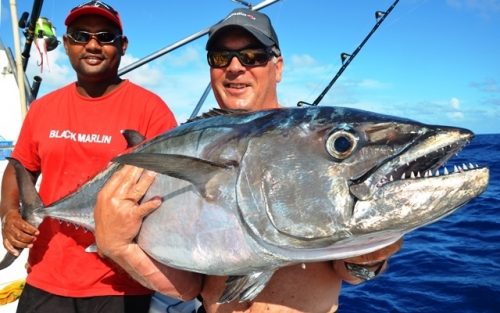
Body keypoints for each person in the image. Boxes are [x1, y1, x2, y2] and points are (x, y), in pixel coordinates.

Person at [93, 8, 402, 313]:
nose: (235, 67)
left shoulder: (310, 149)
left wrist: (370, 258)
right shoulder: (186, 145)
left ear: (277, 67)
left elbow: (353, 272)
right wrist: (118, 246)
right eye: (220, 57)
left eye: (253, 56)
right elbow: (189, 288)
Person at [0, 1, 200, 312]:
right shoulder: (43, 109)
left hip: (122, 284)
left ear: (122, 46)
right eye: (81, 36)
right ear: (67, 44)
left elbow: (172, 192)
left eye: (105, 36)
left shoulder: (151, 110)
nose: (93, 45)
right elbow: (19, 167)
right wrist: (10, 214)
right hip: (45, 276)